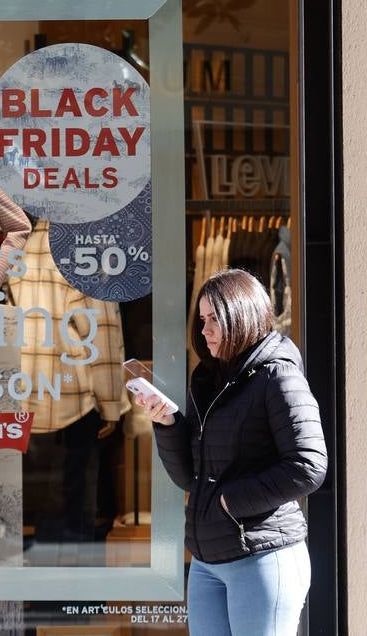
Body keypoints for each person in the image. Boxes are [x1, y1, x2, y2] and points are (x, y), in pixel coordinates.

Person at [137, 268, 328, 636]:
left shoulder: (278, 375)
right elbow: (188, 476)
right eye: (203, 319)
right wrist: (168, 424)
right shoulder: (209, 379)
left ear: (241, 316)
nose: (205, 330)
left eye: (215, 320)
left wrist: (228, 503)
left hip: (262, 558)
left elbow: (309, 465)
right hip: (207, 561)